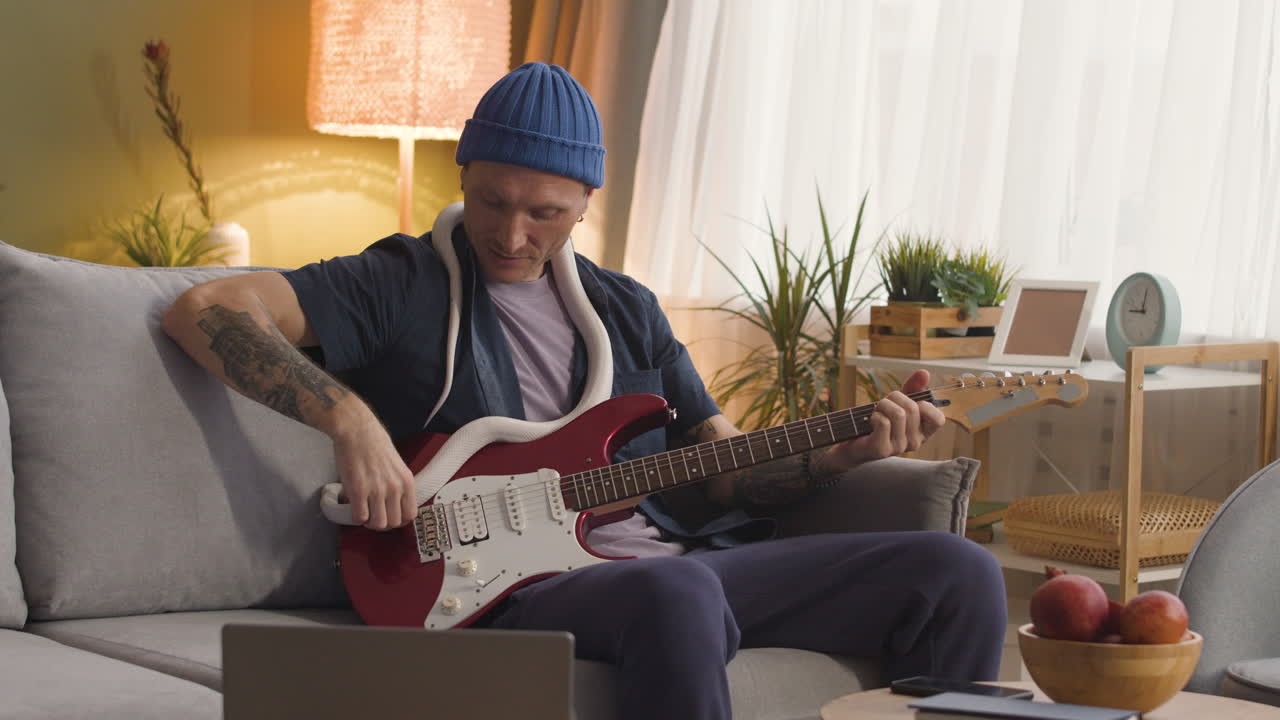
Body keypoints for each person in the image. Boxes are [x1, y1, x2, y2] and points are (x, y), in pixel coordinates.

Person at [162, 62, 1006, 720]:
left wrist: (835, 454)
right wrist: (347, 417)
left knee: (957, 570)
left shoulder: (627, 309)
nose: (511, 234)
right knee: (679, 592)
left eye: (546, 213)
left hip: (670, 567)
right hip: (504, 584)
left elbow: (719, 472)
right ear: (463, 175)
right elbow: (207, 308)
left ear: (585, 204)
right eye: (491, 201)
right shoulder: (397, 282)